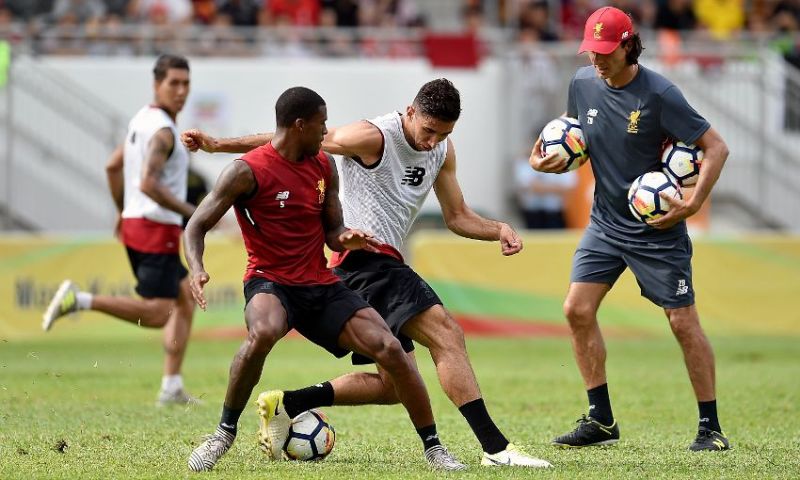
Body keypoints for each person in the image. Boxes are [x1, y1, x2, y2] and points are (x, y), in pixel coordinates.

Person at [182, 79, 552, 468]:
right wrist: (218, 145)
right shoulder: (373, 136)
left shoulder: (441, 149)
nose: (432, 142)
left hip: (357, 263)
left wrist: (498, 229)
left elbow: (457, 217)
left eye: (444, 133)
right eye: (428, 130)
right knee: (446, 334)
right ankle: (494, 448)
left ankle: (289, 403)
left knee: (394, 383)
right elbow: (286, 140)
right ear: (410, 112)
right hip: (366, 262)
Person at [528, 6, 730, 451]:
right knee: (576, 310)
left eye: (604, 51)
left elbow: (716, 147)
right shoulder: (582, 83)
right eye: (590, 51)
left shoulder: (660, 94)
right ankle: (600, 421)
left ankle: (710, 428)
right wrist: (540, 160)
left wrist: (692, 204)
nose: (596, 60)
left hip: (657, 227)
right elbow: (567, 136)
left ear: (626, 45)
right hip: (605, 223)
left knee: (682, 322)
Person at [41, 54, 199, 407]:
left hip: (138, 221)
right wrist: (195, 214)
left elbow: (113, 166)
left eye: (186, 83)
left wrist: (120, 209)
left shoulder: (141, 120)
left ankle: (171, 387)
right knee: (159, 313)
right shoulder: (162, 131)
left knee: (184, 298)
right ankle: (79, 300)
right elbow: (147, 183)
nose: (181, 90)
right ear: (156, 84)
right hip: (154, 226)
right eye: (173, 83)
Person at [513, 155, 576, 229]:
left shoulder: (564, 162)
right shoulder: (525, 161)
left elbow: (568, 188)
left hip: (555, 213)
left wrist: (542, 187)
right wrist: (554, 187)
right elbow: (531, 187)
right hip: (532, 213)